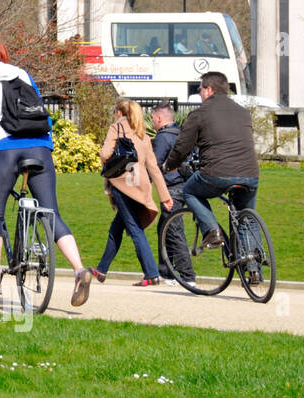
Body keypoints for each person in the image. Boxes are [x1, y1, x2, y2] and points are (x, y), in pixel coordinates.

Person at [0, 36, 94, 308]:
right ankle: (80, 270)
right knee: (51, 213)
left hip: (7, 149)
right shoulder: (23, 74)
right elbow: (39, 111)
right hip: (40, 146)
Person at [164, 71, 261, 274]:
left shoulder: (200, 113)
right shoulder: (243, 112)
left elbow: (182, 146)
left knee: (190, 191)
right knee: (246, 217)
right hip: (250, 173)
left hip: (217, 172)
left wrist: (170, 164)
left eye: (200, 89)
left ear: (208, 90)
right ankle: (254, 270)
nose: (199, 93)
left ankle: (212, 230)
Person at [91, 100, 174, 286]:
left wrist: (107, 161)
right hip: (141, 187)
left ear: (119, 112)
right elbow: (154, 168)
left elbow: (105, 153)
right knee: (116, 229)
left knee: (135, 230)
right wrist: (165, 196)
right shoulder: (142, 134)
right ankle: (102, 270)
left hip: (123, 186)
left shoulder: (116, 128)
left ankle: (151, 274)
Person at [151, 101, 193, 283]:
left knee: (174, 230)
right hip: (187, 185)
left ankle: (187, 275)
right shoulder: (182, 135)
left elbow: (155, 166)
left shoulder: (163, 137)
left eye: (153, 119)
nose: (152, 122)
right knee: (164, 228)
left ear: (159, 118)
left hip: (171, 189)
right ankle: (166, 272)